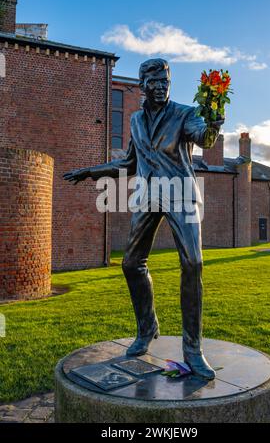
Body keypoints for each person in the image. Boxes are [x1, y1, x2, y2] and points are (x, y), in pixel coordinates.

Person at [64, 59, 224, 380]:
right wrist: (91, 171)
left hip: (179, 193)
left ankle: (192, 348)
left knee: (193, 263)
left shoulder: (184, 113)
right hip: (149, 196)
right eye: (155, 82)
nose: (162, 86)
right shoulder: (136, 121)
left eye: (166, 81)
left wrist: (214, 124)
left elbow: (203, 136)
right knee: (131, 263)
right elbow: (129, 164)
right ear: (143, 84)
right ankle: (147, 327)